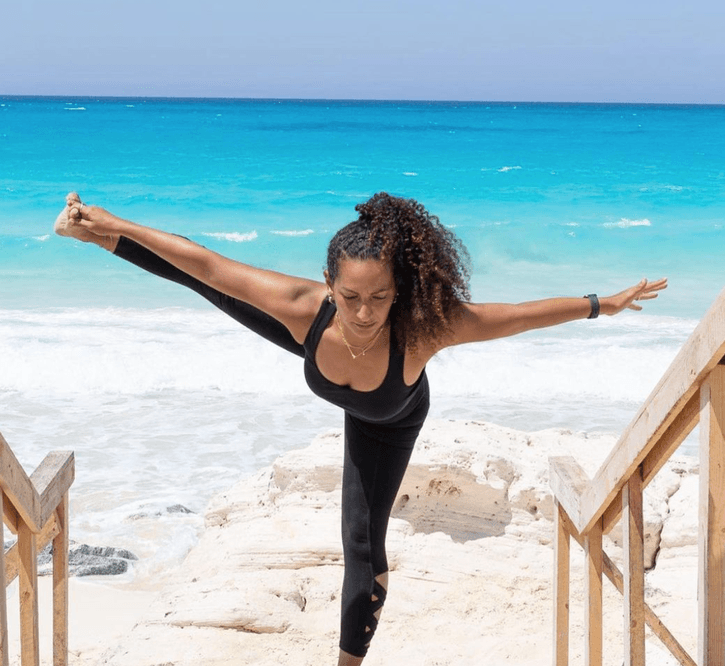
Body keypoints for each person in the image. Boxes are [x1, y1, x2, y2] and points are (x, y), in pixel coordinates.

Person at [55, 191, 666, 665]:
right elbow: (206, 261)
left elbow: (517, 317)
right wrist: (116, 225)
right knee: (210, 282)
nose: (366, 312)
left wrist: (599, 303)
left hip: (389, 419)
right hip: (315, 348)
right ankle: (88, 236)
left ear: (399, 291)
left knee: (363, 554)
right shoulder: (304, 309)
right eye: (350, 297)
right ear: (330, 286)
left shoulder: (427, 330)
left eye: (380, 297)